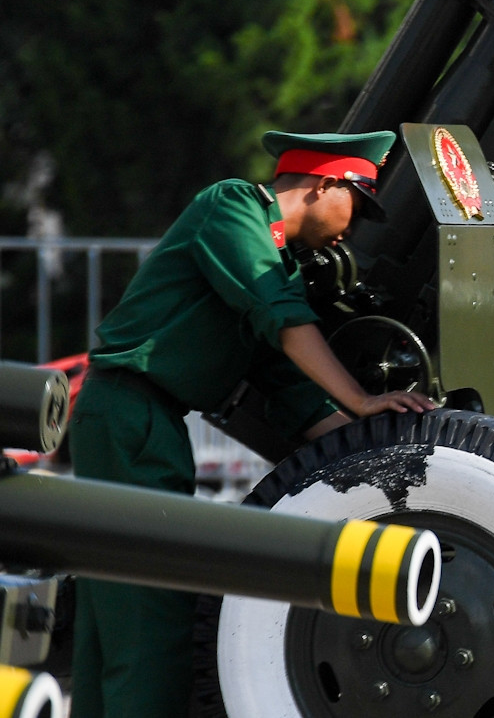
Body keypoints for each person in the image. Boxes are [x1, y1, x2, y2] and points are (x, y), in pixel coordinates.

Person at [68, 131, 436, 718]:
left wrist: (378, 448)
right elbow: (281, 317)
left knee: (107, 622)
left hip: (143, 421)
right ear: (323, 184)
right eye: (357, 204)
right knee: (152, 620)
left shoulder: (277, 263)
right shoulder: (232, 206)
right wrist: (365, 403)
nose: (355, 226)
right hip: (128, 412)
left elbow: (297, 393)